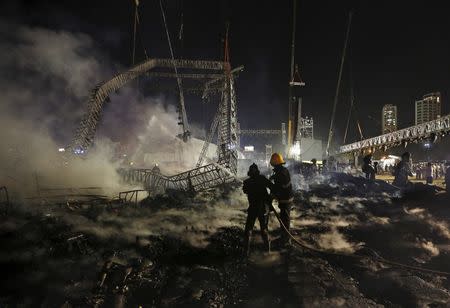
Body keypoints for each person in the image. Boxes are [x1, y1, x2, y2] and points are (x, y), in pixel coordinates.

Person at [242, 163, 273, 255]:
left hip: (253, 208)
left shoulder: (247, 182)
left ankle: (245, 252)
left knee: (248, 230)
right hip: (263, 208)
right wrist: (270, 199)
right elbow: (272, 187)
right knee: (264, 229)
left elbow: (245, 190)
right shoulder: (262, 179)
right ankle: (268, 251)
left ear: (249, 173)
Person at [269, 153, 294, 245]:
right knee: (284, 218)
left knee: (285, 219)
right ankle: (284, 237)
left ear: (274, 164)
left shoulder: (280, 174)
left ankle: (286, 240)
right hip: (287, 198)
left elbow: (278, 188)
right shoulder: (283, 170)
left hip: (285, 199)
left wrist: (271, 195)